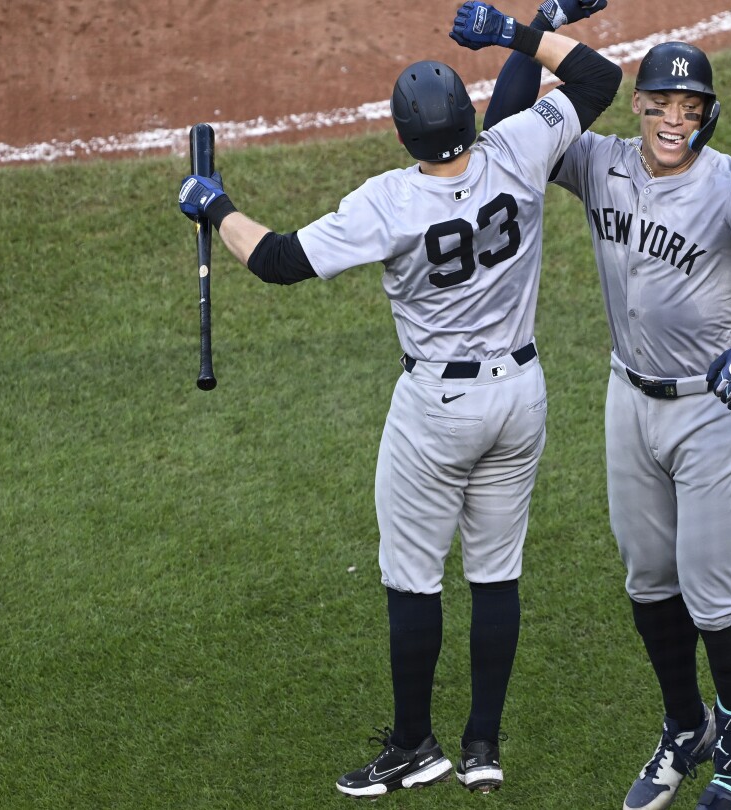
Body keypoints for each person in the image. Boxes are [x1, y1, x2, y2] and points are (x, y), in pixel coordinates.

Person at [176, 1, 620, 798]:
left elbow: (276, 260)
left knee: (414, 579)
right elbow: (595, 76)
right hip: (521, 396)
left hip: (437, 413)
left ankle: (415, 745)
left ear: (404, 135)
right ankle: (482, 744)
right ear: (468, 118)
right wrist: (524, 29)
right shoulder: (517, 148)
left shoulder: (387, 201)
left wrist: (212, 204)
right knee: (496, 575)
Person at [484, 6, 731, 809]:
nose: (673, 121)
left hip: (715, 414)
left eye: (689, 110)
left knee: (713, 593)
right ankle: (684, 725)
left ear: (709, 115)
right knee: (649, 583)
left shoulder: (729, 187)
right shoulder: (600, 162)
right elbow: (510, 126)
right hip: (630, 399)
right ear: (640, 107)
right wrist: (534, 27)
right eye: (660, 105)